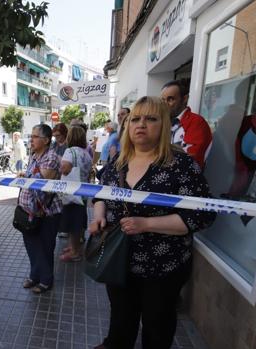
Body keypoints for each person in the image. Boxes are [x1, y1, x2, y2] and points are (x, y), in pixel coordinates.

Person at [89, 97, 216, 349]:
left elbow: (202, 215)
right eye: (135, 119)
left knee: (157, 328)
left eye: (151, 118)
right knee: (121, 321)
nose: (141, 125)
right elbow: (101, 193)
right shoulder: (117, 163)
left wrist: (146, 224)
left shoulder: (181, 165)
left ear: (165, 124)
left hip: (163, 267)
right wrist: (99, 214)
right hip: (119, 261)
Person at [18, 124, 62, 293]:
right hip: (29, 211)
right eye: (31, 136)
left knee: (44, 247)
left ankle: (46, 280)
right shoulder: (34, 155)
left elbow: (39, 183)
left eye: (35, 136)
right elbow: (31, 177)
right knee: (31, 245)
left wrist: (24, 176)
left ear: (45, 140)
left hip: (46, 212)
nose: (31, 139)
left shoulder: (51, 157)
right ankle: (34, 275)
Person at [58, 125, 92, 262]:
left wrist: (60, 164)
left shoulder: (69, 151)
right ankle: (73, 247)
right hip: (82, 193)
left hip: (72, 193)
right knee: (78, 222)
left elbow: (65, 170)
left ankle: (75, 252)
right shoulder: (86, 153)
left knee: (72, 223)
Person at [161, 79, 213, 169]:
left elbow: (190, 159)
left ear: (185, 99)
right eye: (163, 100)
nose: (165, 104)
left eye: (170, 99)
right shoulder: (163, 121)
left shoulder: (196, 122)